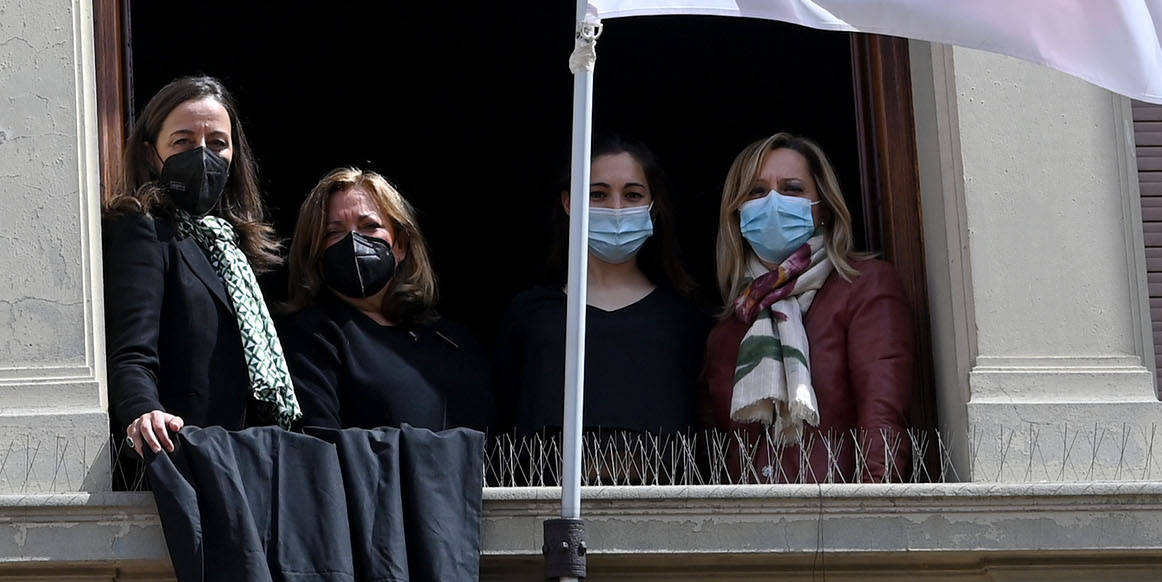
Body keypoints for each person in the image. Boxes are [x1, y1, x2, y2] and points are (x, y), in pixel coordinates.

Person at [102, 75, 303, 462]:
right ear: (150, 154)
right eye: (183, 142)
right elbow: (130, 353)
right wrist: (143, 411)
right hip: (188, 458)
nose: (203, 155)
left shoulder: (239, 252)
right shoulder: (144, 231)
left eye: (217, 144)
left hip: (252, 460)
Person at [700, 130, 917, 463]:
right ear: (737, 213)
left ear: (824, 207)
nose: (773, 201)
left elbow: (882, 421)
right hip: (748, 514)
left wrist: (872, 512)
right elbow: (717, 450)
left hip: (834, 512)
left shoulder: (864, 287)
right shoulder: (730, 326)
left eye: (792, 189)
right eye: (757, 191)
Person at [495, 138, 708, 441]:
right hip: (548, 489)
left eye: (633, 194)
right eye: (598, 194)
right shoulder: (530, 316)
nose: (616, 209)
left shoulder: (686, 321)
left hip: (662, 489)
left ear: (654, 206)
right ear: (569, 203)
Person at [279, 165, 494, 434]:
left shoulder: (454, 340)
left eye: (370, 226)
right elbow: (318, 445)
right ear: (315, 252)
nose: (354, 241)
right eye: (334, 232)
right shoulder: (311, 337)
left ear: (401, 245)